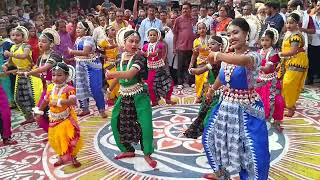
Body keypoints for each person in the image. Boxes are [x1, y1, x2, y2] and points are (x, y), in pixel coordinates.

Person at [202, 18, 270, 180]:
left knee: (252, 148)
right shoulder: (229, 56)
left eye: (236, 32)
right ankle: (221, 173)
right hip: (226, 105)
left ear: (246, 34)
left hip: (247, 107)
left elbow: (243, 61)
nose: (232, 37)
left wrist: (218, 54)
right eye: (228, 34)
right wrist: (212, 89)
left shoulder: (254, 56)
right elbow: (221, 76)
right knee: (210, 137)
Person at [106, 28, 157, 169]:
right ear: (124, 42)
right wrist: (110, 89)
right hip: (124, 94)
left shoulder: (139, 57)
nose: (134, 44)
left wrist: (112, 75)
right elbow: (119, 74)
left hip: (139, 94)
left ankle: (147, 153)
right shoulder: (119, 57)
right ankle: (127, 149)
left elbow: (129, 74)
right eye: (131, 41)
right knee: (115, 119)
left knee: (145, 123)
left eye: (137, 42)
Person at [34, 62, 82, 168]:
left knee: (69, 138)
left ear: (67, 76)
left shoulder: (69, 89)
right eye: (54, 75)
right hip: (53, 119)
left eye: (59, 75)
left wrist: (59, 102)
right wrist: (39, 112)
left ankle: (73, 157)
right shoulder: (51, 88)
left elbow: (73, 101)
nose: (56, 78)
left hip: (66, 119)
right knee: (56, 138)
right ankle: (61, 156)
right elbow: (45, 101)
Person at [184, 35, 227, 139]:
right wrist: (191, 69)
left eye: (213, 44)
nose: (210, 46)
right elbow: (200, 71)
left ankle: (212, 137)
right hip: (210, 93)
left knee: (211, 116)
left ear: (220, 46)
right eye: (209, 44)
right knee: (203, 112)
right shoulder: (211, 59)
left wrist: (194, 70)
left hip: (220, 94)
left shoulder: (222, 60)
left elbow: (202, 70)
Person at [2, 25, 43, 125]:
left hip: (29, 74)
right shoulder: (12, 47)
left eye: (18, 35)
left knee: (32, 96)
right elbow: (11, 62)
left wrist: (10, 54)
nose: (15, 37)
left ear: (23, 36)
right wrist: (6, 65)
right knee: (19, 98)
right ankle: (28, 117)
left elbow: (24, 56)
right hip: (19, 75)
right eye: (13, 35)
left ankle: (39, 116)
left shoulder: (26, 46)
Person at [25, 28, 62, 132]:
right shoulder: (40, 58)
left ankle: (60, 133)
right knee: (39, 113)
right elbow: (41, 74)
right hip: (47, 90)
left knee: (57, 113)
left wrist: (29, 73)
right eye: (39, 41)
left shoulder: (55, 55)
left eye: (44, 41)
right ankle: (51, 133)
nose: (40, 43)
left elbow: (45, 68)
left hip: (57, 89)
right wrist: (28, 74)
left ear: (51, 44)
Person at [68, 21, 107, 118]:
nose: (77, 29)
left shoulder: (89, 39)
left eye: (80, 28)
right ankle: (85, 109)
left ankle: (101, 109)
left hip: (91, 66)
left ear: (86, 30)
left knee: (95, 88)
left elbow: (85, 52)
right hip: (80, 65)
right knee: (81, 87)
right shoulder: (78, 39)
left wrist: (71, 51)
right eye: (77, 27)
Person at [278, 12, 308, 117]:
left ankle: (290, 107)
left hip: (297, 61)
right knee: (284, 84)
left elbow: (293, 51)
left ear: (297, 23)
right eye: (287, 23)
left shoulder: (296, 36)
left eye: (291, 23)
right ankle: (289, 105)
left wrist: (278, 54)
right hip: (289, 61)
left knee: (288, 83)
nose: (288, 25)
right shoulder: (289, 34)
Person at [256, 26, 285, 132]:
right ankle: (259, 119)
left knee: (275, 101)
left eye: (267, 40)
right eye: (262, 40)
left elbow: (268, 68)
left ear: (272, 41)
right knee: (258, 100)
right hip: (258, 81)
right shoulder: (258, 52)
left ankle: (276, 121)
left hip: (271, 83)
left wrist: (255, 66)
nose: (264, 42)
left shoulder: (274, 54)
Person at [142, 28, 175, 106]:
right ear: (148, 36)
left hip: (161, 67)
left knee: (169, 82)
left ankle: (168, 99)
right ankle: (154, 101)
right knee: (150, 85)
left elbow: (155, 53)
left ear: (158, 36)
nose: (152, 36)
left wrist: (145, 53)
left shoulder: (160, 45)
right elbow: (141, 52)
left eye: (154, 35)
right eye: (151, 35)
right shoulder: (146, 45)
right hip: (151, 68)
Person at [173, 2, 196, 89]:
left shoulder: (193, 20)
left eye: (187, 8)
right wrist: (174, 47)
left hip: (192, 47)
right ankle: (180, 82)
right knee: (181, 66)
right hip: (181, 46)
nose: (185, 10)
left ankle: (191, 81)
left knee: (191, 64)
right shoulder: (178, 20)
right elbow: (175, 34)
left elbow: (195, 32)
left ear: (190, 10)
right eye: (183, 9)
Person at [189, 22, 210, 103]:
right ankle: (198, 96)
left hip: (209, 62)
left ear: (206, 29)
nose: (202, 30)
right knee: (198, 80)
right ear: (197, 31)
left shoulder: (210, 39)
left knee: (207, 80)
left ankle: (207, 96)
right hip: (200, 63)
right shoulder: (196, 41)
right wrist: (191, 64)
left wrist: (203, 49)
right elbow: (194, 54)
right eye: (199, 29)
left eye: (203, 28)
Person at [98, 25, 119, 105]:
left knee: (118, 81)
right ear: (107, 32)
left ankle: (118, 97)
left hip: (117, 63)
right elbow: (98, 53)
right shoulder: (103, 42)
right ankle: (111, 97)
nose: (114, 31)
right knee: (111, 81)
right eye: (112, 30)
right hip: (108, 64)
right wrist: (105, 57)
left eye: (114, 30)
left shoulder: (117, 40)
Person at [307, 1, 320, 85]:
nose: (319, 7)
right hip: (312, 42)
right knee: (311, 60)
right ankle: (310, 78)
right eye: (318, 5)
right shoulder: (311, 17)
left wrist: (316, 31)